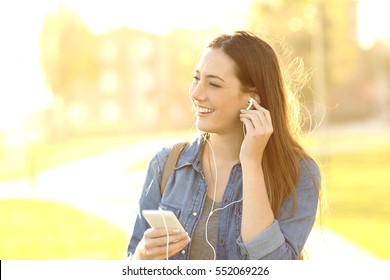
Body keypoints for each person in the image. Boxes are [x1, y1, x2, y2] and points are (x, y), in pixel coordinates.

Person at [127, 31, 321, 260]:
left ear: (252, 99)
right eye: (196, 78)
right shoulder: (164, 166)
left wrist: (251, 163)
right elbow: (130, 263)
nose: (196, 93)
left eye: (214, 84)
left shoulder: (298, 175)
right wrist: (141, 257)